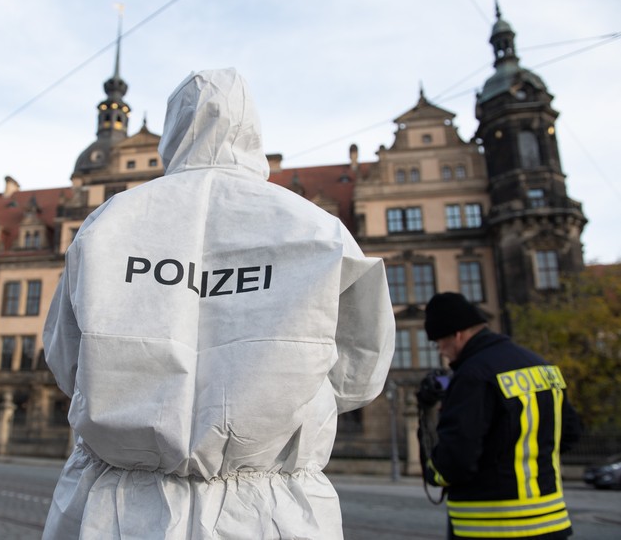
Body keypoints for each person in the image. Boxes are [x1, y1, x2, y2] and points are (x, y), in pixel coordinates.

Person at [41, 68, 395, 539]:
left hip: (122, 507)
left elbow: (66, 359)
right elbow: (360, 373)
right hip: (270, 511)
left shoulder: (109, 223)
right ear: (252, 129)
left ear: (173, 132)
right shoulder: (315, 228)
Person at [421, 292, 581, 540]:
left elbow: (456, 459)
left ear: (458, 334)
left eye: (439, 342)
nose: (442, 351)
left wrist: (433, 473)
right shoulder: (542, 366)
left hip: (490, 526)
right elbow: (570, 432)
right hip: (551, 521)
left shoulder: (472, 375)